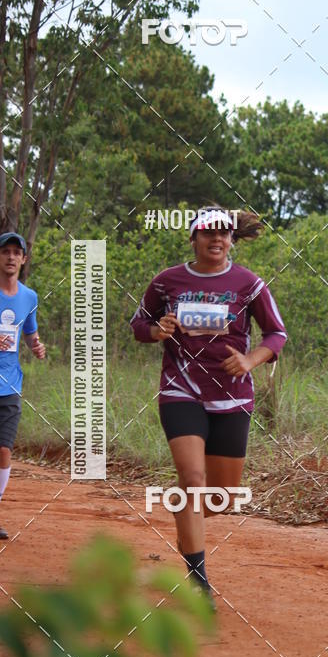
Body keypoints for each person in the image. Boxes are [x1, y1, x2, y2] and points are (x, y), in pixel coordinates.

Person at [130, 208, 287, 599]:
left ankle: (186, 514)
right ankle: (198, 583)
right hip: (180, 391)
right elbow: (139, 326)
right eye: (207, 233)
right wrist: (156, 329)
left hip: (232, 398)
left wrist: (250, 360)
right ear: (193, 238)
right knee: (193, 482)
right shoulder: (168, 281)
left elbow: (276, 333)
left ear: (232, 239)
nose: (216, 240)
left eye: (224, 234)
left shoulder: (248, 284)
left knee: (219, 499)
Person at [0, 232, 46, 539]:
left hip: (10, 385)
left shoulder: (29, 297)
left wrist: (37, 346)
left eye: (17, 252)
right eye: (6, 251)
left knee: (4, 450)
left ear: (24, 259)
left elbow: (29, 333)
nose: (11, 256)